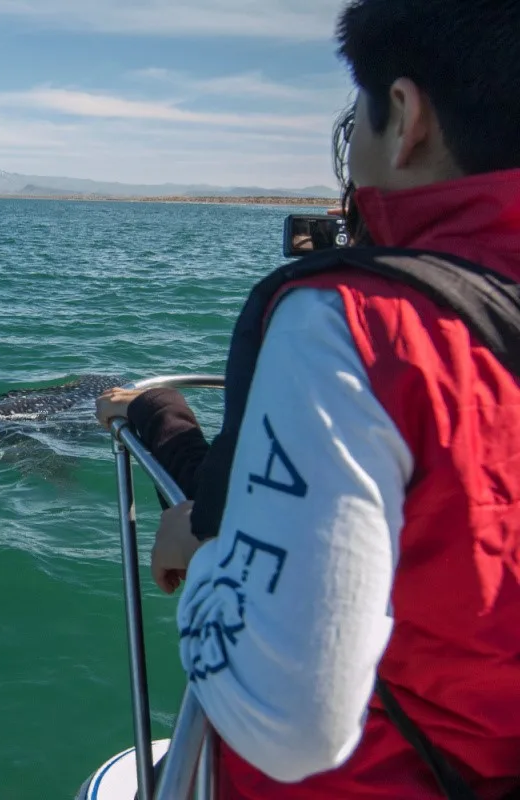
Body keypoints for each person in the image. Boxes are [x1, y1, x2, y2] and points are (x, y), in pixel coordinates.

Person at [95, 0, 520, 797]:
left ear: (405, 115)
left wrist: (207, 547)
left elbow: (292, 723)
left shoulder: (356, 322)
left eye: (352, 116)